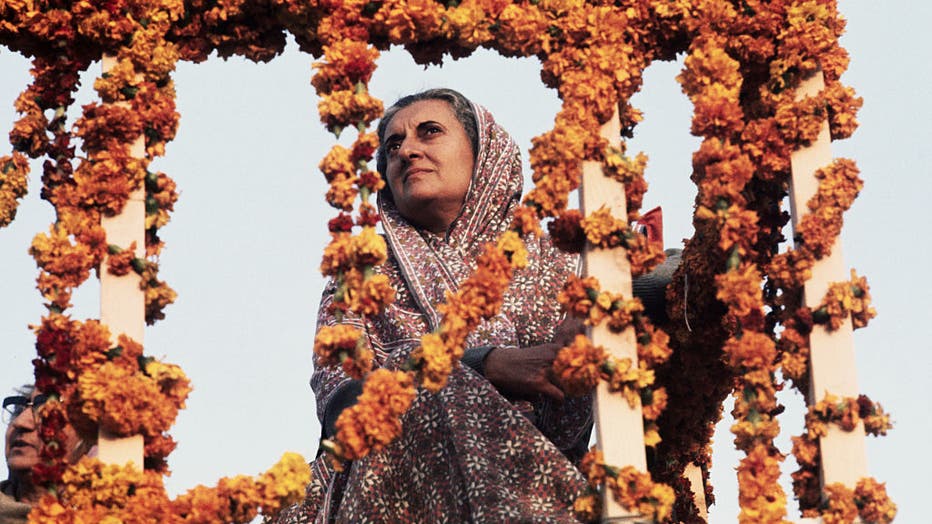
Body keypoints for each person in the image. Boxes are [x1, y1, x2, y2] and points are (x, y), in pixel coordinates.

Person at [280, 89, 676, 522]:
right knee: (436, 391)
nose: (407, 151)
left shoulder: (561, 258)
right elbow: (343, 405)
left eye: (429, 132)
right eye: (392, 145)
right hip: (395, 496)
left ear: (485, 153)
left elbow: (675, 275)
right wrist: (485, 365)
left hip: (544, 488)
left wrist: (593, 307)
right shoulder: (360, 275)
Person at [1, 385, 90, 524]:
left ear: (88, 439)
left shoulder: (117, 514)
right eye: (18, 411)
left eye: (45, 412)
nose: (20, 422)